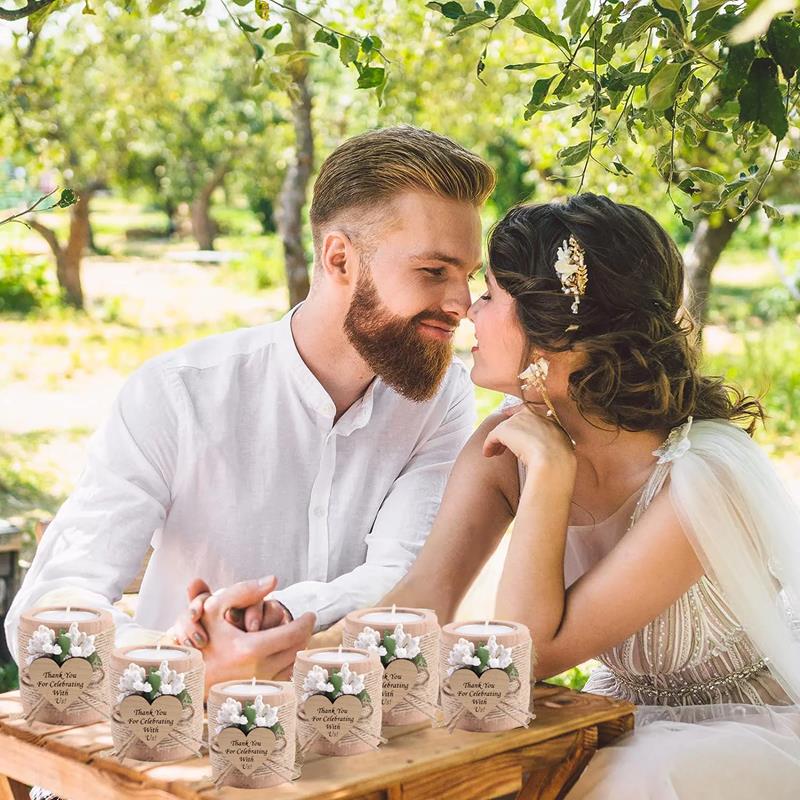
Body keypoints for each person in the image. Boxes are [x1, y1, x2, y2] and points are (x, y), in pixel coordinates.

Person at [316, 193, 800, 797]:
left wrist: (549, 471)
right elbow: (420, 602)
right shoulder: (500, 445)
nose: (468, 310)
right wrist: (289, 652)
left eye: (490, 295)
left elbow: (528, 657)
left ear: (553, 333)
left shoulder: (701, 481)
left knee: (613, 784)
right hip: (613, 720)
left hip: (749, 730)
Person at [4, 125, 494, 695]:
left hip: (348, 742)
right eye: (434, 272)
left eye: (468, 276)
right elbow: (45, 610)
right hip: (167, 738)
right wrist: (183, 662)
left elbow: (404, 576)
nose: (461, 304)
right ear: (340, 259)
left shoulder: (440, 398)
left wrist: (281, 615)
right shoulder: (179, 394)